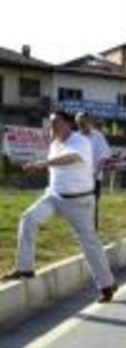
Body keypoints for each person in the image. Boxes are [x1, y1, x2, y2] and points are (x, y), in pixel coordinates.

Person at [2, 112, 117, 303]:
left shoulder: (80, 141)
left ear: (68, 124)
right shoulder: (54, 145)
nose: (52, 126)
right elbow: (56, 167)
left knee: (89, 243)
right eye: (50, 123)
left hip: (79, 201)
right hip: (54, 196)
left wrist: (44, 163)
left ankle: (107, 284)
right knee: (28, 218)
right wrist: (35, 166)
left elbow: (71, 158)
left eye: (55, 123)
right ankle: (25, 268)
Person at [75, 113, 111, 230]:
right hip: (78, 179)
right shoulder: (75, 137)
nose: (81, 125)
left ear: (89, 122)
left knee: (92, 206)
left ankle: (92, 232)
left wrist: (96, 172)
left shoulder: (98, 136)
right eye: (79, 123)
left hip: (94, 179)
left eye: (84, 122)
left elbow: (104, 155)